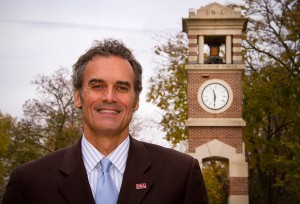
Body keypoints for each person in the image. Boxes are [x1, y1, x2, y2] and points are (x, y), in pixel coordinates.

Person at [2, 39, 209, 204]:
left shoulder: (180, 175)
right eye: (98, 86)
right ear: (77, 96)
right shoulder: (30, 182)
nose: (109, 97)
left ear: (135, 100)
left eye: (121, 87)